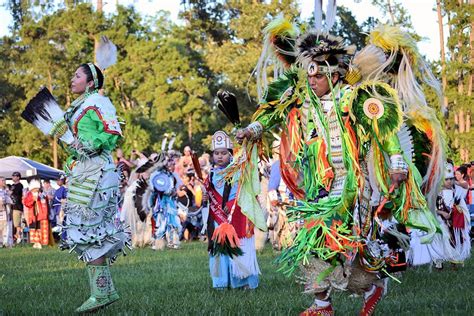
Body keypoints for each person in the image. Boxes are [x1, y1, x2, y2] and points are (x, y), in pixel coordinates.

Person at [230, 16, 438, 315]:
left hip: (351, 184)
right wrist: (251, 130)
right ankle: (340, 297)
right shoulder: (301, 96)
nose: (311, 80)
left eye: (317, 76)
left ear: (334, 74)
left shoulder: (354, 98)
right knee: (315, 243)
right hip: (316, 184)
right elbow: (272, 112)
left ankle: (340, 297)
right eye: (309, 75)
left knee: (326, 238)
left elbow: (385, 131)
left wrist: (396, 164)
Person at [22, 60, 131, 312]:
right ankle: (103, 291)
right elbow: (71, 143)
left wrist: (90, 143)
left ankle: (101, 293)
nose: (72, 79)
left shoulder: (98, 102)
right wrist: (70, 144)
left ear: (90, 82)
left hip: (98, 174)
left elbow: (112, 131)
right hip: (83, 173)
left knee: (89, 231)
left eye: (77, 76)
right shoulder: (76, 107)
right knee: (86, 232)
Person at [202, 131, 260, 290]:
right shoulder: (211, 174)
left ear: (231, 154)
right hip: (217, 219)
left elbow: (247, 191)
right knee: (218, 250)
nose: (219, 157)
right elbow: (209, 192)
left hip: (236, 216)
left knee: (238, 248)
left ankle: (243, 282)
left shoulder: (239, 170)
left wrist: (232, 202)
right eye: (216, 153)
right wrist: (205, 198)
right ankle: (220, 283)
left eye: (223, 153)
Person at [429, 161, 471, 268]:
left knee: (455, 240)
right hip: (440, 221)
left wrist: (458, 211)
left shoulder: (455, 192)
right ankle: (439, 262)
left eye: (451, 179)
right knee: (442, 238)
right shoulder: (436, 193)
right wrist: (441, 212)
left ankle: (454, 262)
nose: (449, 182)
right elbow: (431, 209)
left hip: (453, 222)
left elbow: (462, 206)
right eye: (446, 179)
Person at [151, 150, 186, 250]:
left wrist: (177, 190)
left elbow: (181, 186)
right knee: (161, 222)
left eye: (173, 164)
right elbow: (155, 187)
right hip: (161, 202)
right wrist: (164, 191)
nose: (172, 165)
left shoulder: (173, 175)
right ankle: (158, 243)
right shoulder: (157, 174)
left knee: (174, 221)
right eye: (170, 163)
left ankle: (173, 242)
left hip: (171, 202)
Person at [23, 177, 50, 249]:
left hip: (42, 214)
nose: (37, 190)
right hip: (33, 214)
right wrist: (33, 200)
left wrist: (47, 213)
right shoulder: (29, 194)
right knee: (34, 227)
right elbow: (26, 203)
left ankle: (42, 242)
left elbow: (46, 203)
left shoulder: (42, 193)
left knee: (41, 228)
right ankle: (36, 242)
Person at [10, 171, 23, 244]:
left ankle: (18, 237)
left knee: (17, 223)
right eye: (12, 176)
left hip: (17, 206)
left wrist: (11, 192)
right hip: (12, 206)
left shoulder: (20, 185)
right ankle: (16, 236)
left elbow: (17, 194)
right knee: (14, 223)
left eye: (15, 176)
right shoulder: (12, 185)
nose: (13, 177)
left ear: (18, 177)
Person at [0, 176, 13, 248]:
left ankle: (5, 242)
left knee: (5, 227)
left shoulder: (6, 191)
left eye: (4, 180)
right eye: (2, 181)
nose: (4, 182)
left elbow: (11, 201)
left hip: (5, 211)